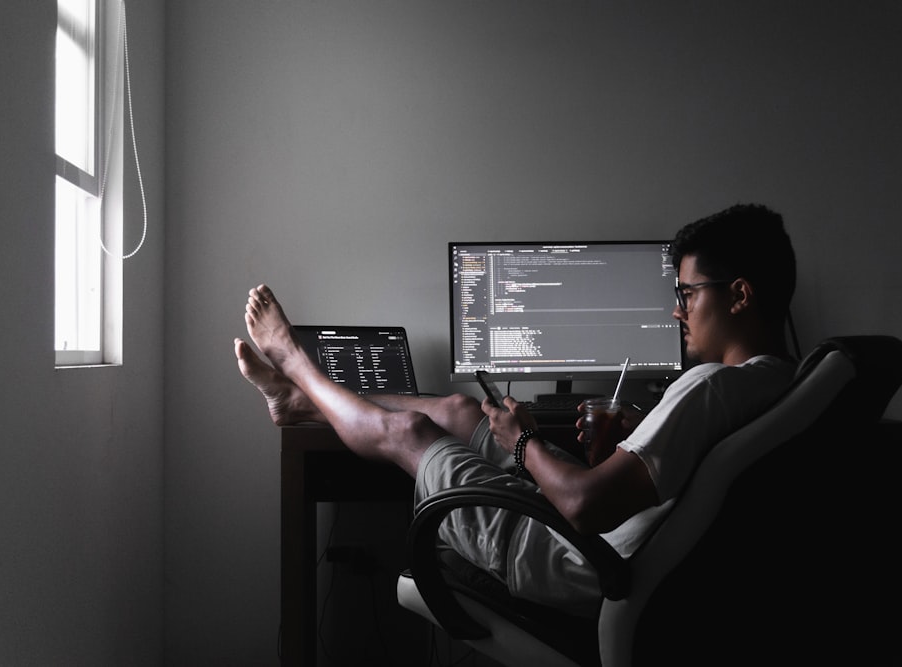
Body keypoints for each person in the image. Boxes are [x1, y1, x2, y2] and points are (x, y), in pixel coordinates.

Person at [233, 203, 798, 617]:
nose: (679, 312)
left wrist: (523, 442)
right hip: (592, 535)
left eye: (688, 294)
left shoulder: (710, 387)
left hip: (559, 553)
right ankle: (300, 402)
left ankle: (295, 363)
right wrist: (641, 435)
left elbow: (582, 503)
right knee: (457, 410)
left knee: (410, 432)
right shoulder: (775, 382)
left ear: (740, 295)